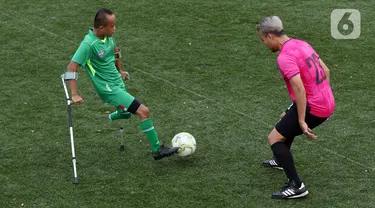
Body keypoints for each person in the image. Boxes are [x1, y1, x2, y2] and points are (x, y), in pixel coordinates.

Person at [66, 8, 179, 160]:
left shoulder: (108, 37)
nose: (115, 29)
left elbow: (115, 51)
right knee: (144, 112)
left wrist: (120, 71)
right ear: (101, 27)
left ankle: (112, 116)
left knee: (126, 113)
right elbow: (71, 67)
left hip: (117, 81)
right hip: (108, 89)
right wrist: (74, 94)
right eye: (111, 26)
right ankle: (157, 150)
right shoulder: (88, 44)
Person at [256, 16, 335, 199]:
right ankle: (280, 160)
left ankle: (297, 186)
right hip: (326, 100)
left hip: (315, 106)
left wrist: (301, 120)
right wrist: (324, 96)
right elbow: (326, 70)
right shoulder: (302, 44)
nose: (265, 44)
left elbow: (298, 87)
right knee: (286, 119)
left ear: (270, 36)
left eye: (263, 40)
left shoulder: (284, 57)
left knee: (274, 139)